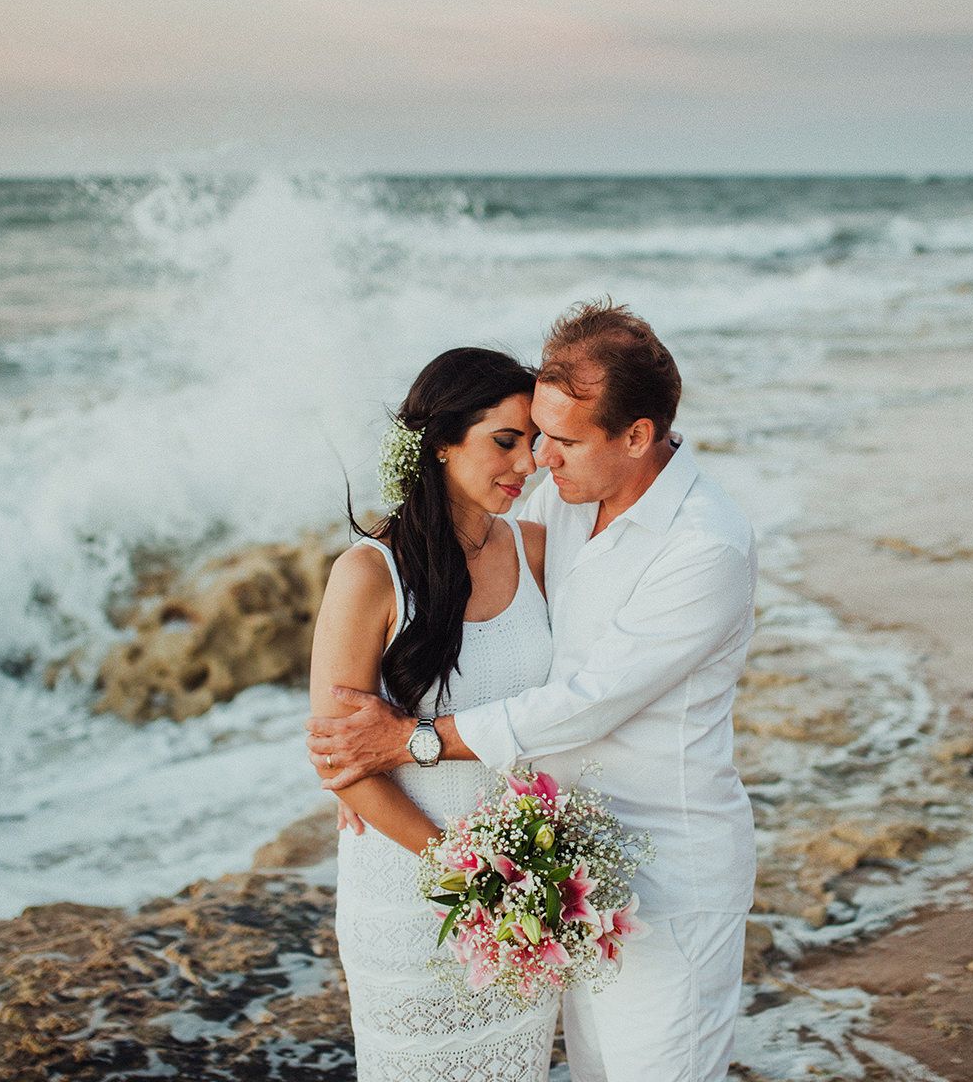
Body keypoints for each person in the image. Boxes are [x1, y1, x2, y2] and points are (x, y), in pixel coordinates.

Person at [309, 300, 758, 1082]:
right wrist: (362, 772)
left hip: (663, 879)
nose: (539, 460)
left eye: (559, 440)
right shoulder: (560, 496)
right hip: (558, 875)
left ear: (637, 436)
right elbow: (343, 731)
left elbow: (584, 696)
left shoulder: (703, 548)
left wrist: (412, 744)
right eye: (530, 436)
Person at [310, 346, 559, 1080]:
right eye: (504, 441)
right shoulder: (368, 574)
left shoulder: (538, 551)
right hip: (412, 896)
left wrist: (520, 882)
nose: (526, 464)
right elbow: (340, 764)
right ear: (443, 442)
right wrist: (473, 877)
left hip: (521, 888)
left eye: (535, 444)